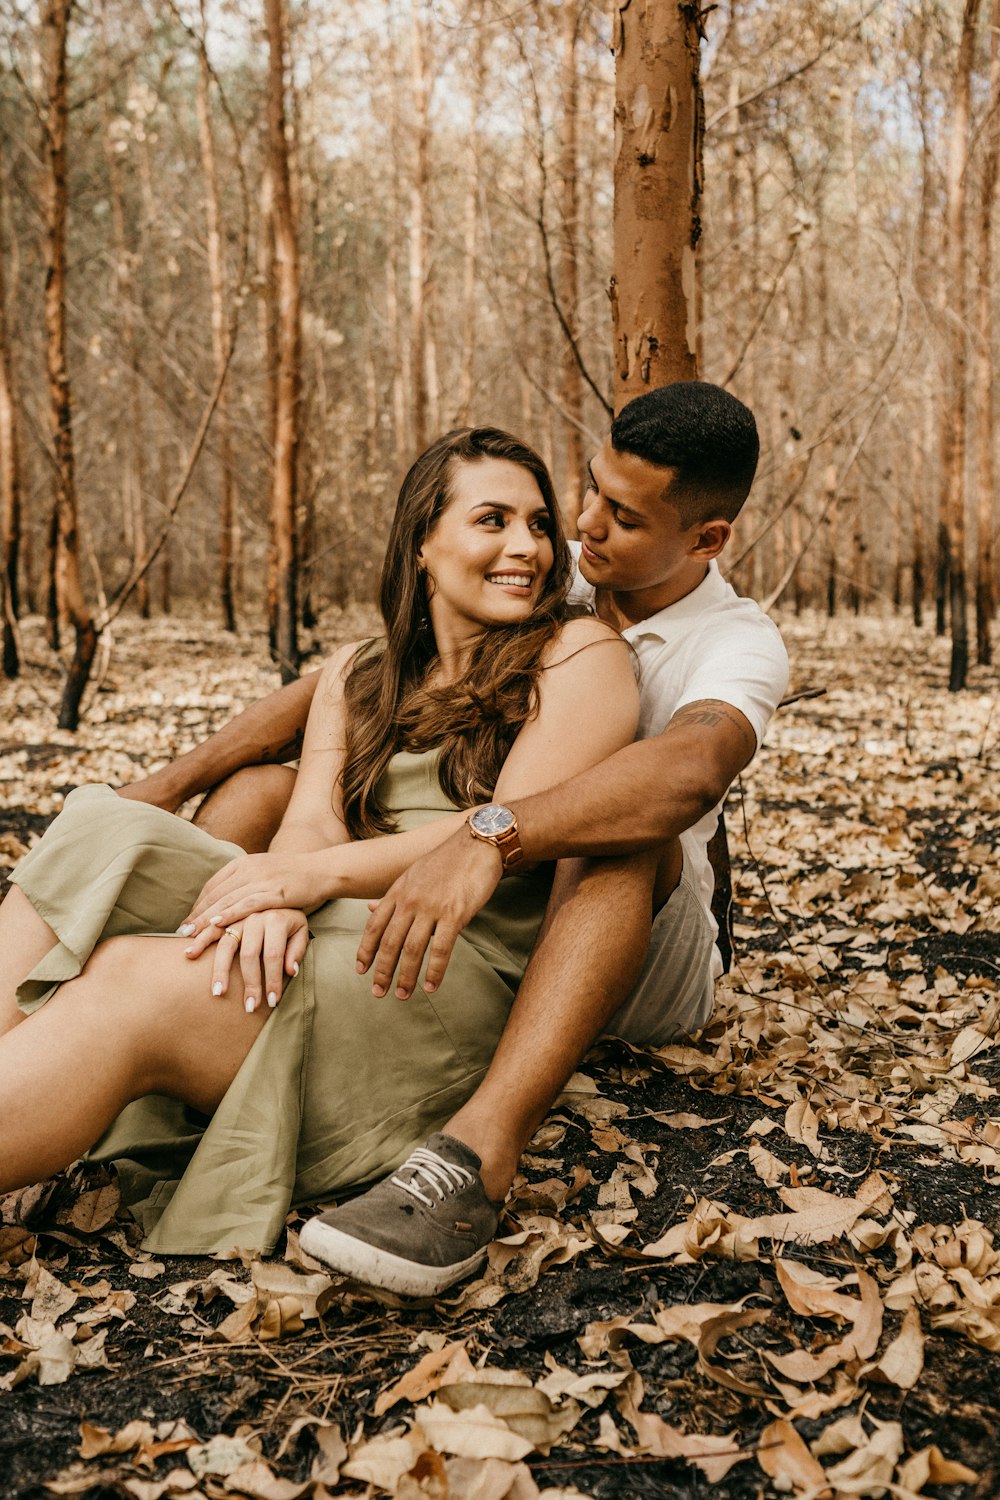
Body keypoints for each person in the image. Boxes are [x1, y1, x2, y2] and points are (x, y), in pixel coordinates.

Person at [127, 381, 790, 1298]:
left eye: (624, 517)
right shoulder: (560, 578)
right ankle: (161, 989)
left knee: (627, 829)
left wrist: (490, 834)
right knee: (262, 791)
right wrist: (175, 783)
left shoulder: (736, 642)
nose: (586, 527)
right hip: (508, 898)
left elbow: (688, 772)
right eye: (589, 490)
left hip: (639, 952)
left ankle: (475, 1161)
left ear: (706, 539)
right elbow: (352, 673)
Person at [0, 427, 639, 1266]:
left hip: (432, 969)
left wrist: (302, 881)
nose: (528, 547)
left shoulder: (578, 654)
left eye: (539, 523)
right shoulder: (358, 670)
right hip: (338, 911)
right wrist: (284, 887)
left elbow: (497, 830)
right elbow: (312, 816)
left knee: (131, 977)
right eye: (493, 520)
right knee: (101, 823)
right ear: (423, 542)